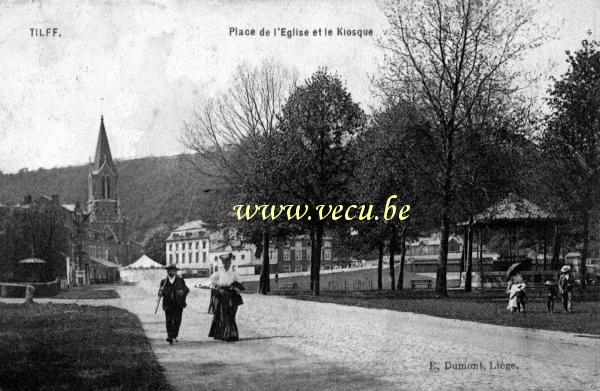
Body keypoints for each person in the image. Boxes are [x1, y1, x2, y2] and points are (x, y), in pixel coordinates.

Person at [208, 253, 244, 341]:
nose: (225, 265)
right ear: (222, 264)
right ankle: (221, 334)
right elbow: (210, 282)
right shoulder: (218, 273)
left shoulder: (234, 274)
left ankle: (232, 334)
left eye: (227, 263)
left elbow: (240, 284)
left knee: (230, 315)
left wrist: (236, 287)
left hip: (231, 295)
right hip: (220, 295)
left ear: (230, 263)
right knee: (221, 314)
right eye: (224, 263)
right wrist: (213, 285)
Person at [158, 264, 189, 344]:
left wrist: (182, 292)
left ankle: (174, 335)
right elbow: (160, 293)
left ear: (176, 272)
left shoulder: (180, 281)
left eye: (174, 270)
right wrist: (160, 292)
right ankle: (169, 336)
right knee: (168, 320)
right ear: (167, 271)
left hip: (178, 304)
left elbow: (186, 290)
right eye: (170, 270)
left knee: (177, 320)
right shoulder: (163, 282)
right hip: (168, 304)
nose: (172, 272)